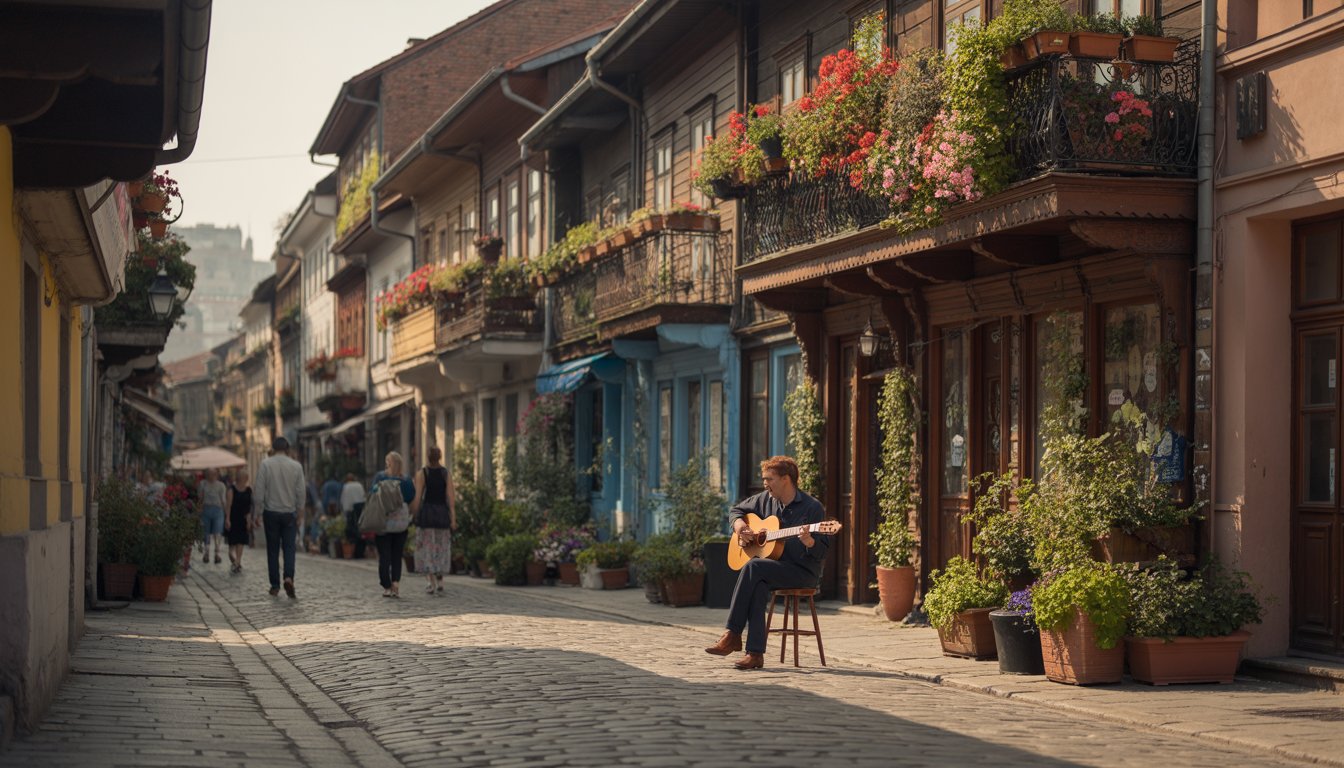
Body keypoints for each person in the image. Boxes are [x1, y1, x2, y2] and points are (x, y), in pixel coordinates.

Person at [704, 455, 831, 671]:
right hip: (773, 569)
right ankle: (755, 654)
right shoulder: (765, 499)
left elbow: (821, 552)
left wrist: (810, 541)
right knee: (758, 584)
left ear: (786, 479)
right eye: (764, 479)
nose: (765, 483)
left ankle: (733, 633)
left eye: (769, 479)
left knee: (754, 567)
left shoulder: (812, 508)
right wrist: (740, 528)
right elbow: (736, 511)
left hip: (802, 571)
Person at [254, 436, 307, 598]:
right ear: (288, 449)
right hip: (289, 513)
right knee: (289, 547)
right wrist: (300, 512)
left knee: (273, 550)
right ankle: (289, 577)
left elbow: (259, 490)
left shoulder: (265, 465)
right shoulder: (296, 466)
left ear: (273, 449)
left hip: (271, 512)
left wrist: (257, 512)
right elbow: (301, 492)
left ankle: (275, 585)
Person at [410, 446, 457, 595]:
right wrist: (453, 518)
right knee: (441, 547)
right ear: (440, 457)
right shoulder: (445, 473)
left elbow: (417, 498)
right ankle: (441, 580)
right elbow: (451, 498)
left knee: (428, 548)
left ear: (427, 457)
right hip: (442, 513)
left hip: (428, 514)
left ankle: (431, 582)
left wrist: (413, 513)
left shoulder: (422, 473)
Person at [370, 451, 415, 598]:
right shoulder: (406, 479)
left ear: (388, 463)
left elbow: (373, 492)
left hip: (384, 521)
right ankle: (395, 583)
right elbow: (411, 497)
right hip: (401, 522)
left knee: (384, 556)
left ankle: (387, 587)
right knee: (397, 554)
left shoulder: (380, 477)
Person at [224, 468, 255, 574]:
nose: (245, 479)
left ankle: (237, 562)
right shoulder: (231, 489)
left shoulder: (249, 490)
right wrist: (227, 519)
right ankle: (236, 562)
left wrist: (249, 520)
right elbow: (228, 505)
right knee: (231, 545)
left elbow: (249, 507)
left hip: (243, 519)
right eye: (243, 477)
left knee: (241, 542)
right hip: (233, 518)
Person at [198, 469, 228, 565]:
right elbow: (200, 498)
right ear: (206, 475)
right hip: (206, 509)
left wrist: (227, 514)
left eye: (214, 474)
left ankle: (217, 553)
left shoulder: (221, 485)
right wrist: (199, 510)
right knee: (205, 532)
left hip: (218, 509)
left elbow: (223, 500)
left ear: (217, 475)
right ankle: (206, 552)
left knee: (217, 532)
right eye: (209, 474)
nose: (211, 476)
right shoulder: (203, 484)